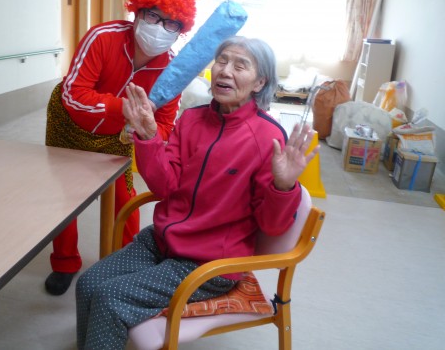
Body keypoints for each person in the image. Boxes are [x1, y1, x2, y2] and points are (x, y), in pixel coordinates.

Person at [75, 36, 320, 349]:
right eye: (222, 61)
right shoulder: (190, 119)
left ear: (260, 83)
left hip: (206, 264)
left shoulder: (267, 137)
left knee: (110, 297)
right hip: (162, 241)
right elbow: (164, 187)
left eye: (240, 65)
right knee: (87, 283)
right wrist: (149, 137)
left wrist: (284, 186)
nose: (225, 71)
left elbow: (272, 226)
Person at [43, 0, 199, 296]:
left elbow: (165, 126)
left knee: (124, 199)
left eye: (171, 23)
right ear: (137, 12)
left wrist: (142, 131)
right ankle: (64, 263)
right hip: (69, 121)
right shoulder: (103, 37)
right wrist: (124, 109)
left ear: (181, 30)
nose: (160, 27)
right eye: (153, 15)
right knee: (65, 195)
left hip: (118, 135)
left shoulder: (172, 71)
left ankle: (124, 264)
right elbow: (74, 94)